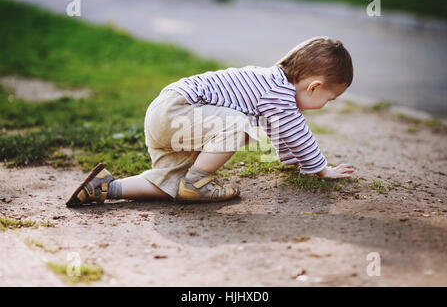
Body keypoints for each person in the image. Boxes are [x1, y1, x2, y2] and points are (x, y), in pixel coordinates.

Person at [66, 36, 355, 207]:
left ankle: (105, 188)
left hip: (168, 115)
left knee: (170, 181)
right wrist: (319, 169)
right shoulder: (278, 91)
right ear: (314, 86)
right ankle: (198, 182)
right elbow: (296, 131)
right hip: (179, 110)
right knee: (240, 124)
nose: (324, 106)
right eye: (329, 99)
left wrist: (293, 162)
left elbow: (281, 130)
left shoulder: (271, 88)